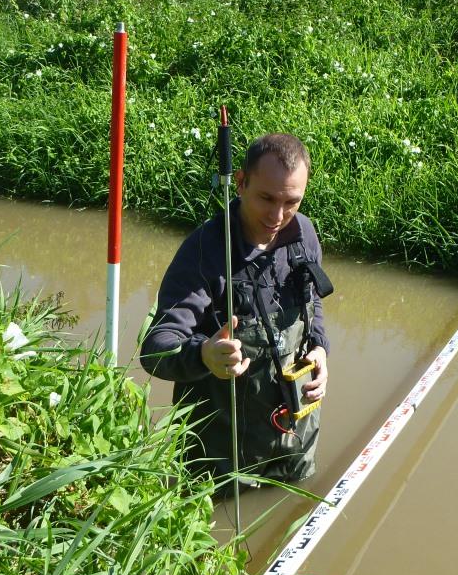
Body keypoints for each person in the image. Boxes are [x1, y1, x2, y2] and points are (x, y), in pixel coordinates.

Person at [139, 133, 333, 485]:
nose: (278, 216)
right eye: (266, 198)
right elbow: (155, 349)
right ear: (240, 183)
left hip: (294, 433)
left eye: (292, 201)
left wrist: (320, 348)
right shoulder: (204, 251)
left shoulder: (304, 232)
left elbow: (313, 303)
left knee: (291, 514)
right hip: (220, 451)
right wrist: (204, 356)